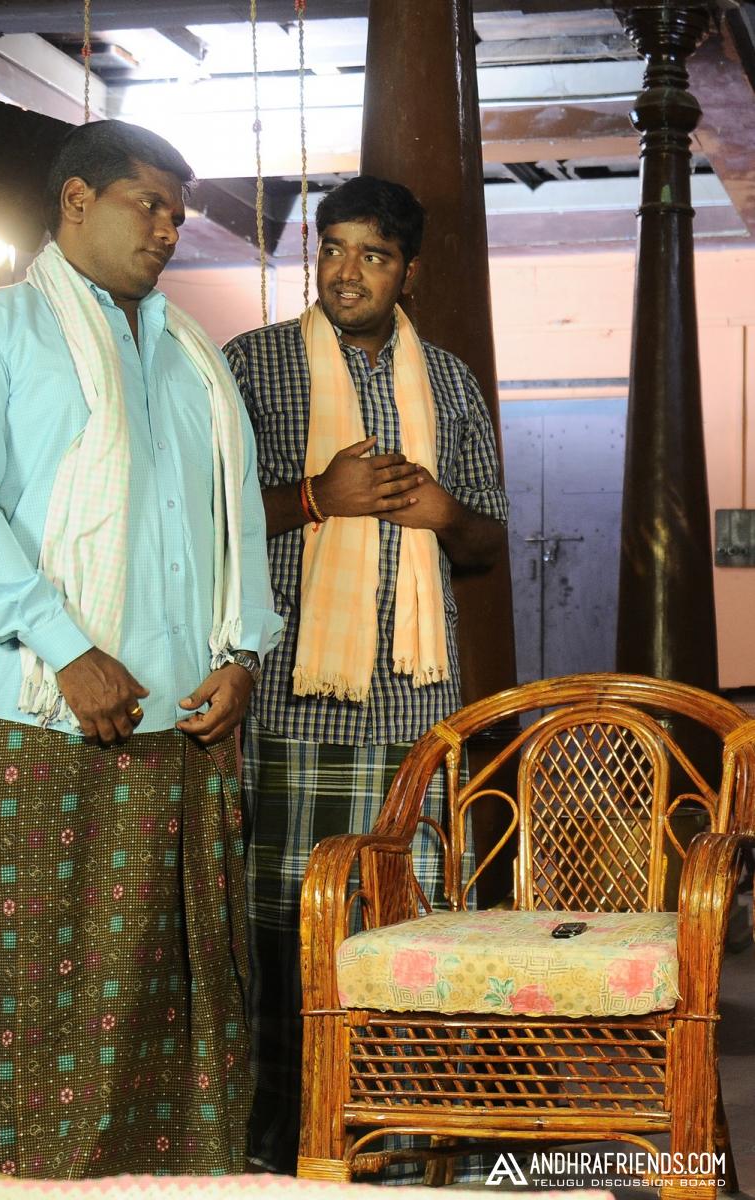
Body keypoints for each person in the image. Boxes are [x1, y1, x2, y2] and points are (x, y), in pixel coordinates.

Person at [0, 119, 281, 1180]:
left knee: (192, 998)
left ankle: (183, 1185)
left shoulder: (191, 356)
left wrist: (245, 656)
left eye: (178, 212)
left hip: (194, 727)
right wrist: (68, 649)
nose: (169, 228)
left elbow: (236, 526)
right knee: (50, 999)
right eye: (149, 204)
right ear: (77, 199)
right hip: (57, 721)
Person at [223, 175, 509, 1175]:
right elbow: (204, 518)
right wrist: (318, 495)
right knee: (283, 931)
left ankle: (400, 1138)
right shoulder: (253, 364)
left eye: (373, 255)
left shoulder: (452, 382)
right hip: (290, 698)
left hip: (416, 706)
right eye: (333, 248)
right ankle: (282, 1142)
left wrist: (443, 515)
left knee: (405, 927)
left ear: (408, 272)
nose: (346, 272)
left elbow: (485, 544)